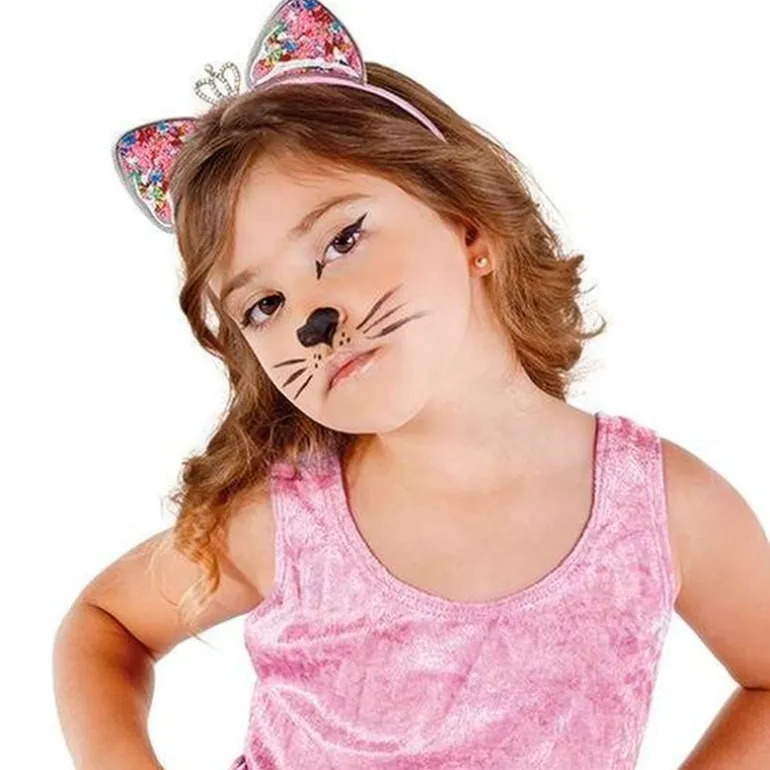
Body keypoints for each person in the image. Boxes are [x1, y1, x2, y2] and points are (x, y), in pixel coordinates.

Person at [52, 1, 770, 769]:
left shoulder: (660, 509)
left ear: (470, 226)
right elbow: (105, 625)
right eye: (264, 305)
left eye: (342, 239)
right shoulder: (289, 522)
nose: (312, 321)